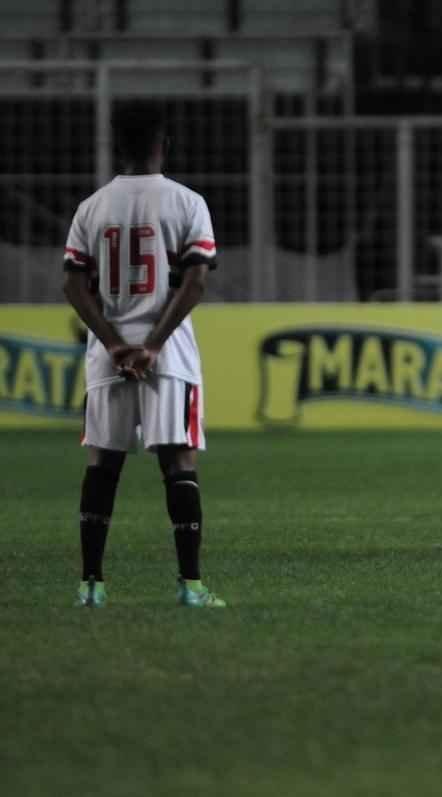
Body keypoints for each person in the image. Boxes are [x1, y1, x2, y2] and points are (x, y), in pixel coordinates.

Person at [62, 102, 225, 607]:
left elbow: (73, 284)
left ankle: (92, 585)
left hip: (106, 357)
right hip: (169, 355)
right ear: (163, 143)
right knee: (178, 462)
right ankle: (191, 586)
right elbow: (195, 281)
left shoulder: (92, 207)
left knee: (102, 465)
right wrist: (152, 345)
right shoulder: (187, 202)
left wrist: (113, 342)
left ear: (118, 146)